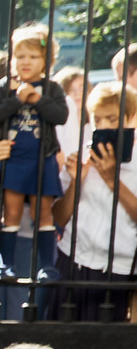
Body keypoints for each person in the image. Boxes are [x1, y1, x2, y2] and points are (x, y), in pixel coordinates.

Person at [0, 24, 71, 289]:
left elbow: (60, 116)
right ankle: (5, 264)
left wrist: (37, 98)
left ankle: (46, 266)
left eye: (33, 57)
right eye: (20, 57)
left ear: (45, 61)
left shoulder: (52, 88)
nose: (26, 62)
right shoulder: (5, 87)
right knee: (11, 212)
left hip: (41, 159)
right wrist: (18, 99)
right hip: (13, 160)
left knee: (43, 212)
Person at [58, 84, 137, 322]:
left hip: (120, 270)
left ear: (130, 118)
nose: (103, 126)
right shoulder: (80, 155)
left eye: (112, 119)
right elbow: (59, 218)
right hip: (74, 262)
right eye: (97, 119)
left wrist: (112, 179)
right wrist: (75, 182)